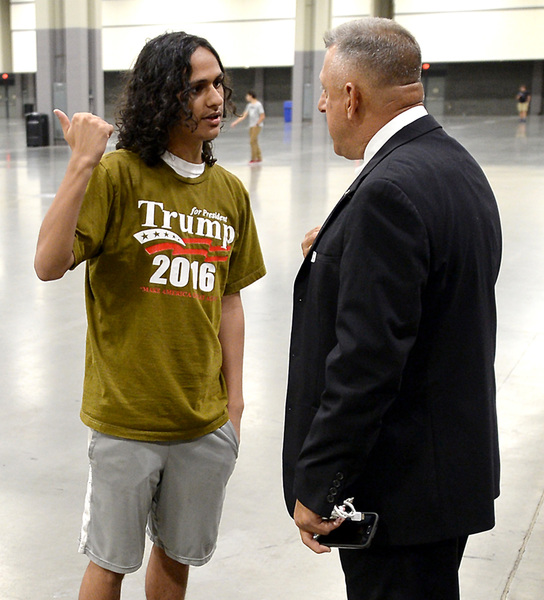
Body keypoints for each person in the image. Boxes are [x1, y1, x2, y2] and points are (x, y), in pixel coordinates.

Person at [34, 31, 266, 600]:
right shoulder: (117, 176)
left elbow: (229, 300)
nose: (216, 98)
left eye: (218, 84)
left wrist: (235, 403)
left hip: (202, 420)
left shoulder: (229, 192)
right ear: (163, 96)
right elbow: (47, 263)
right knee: (109, 563)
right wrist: (82, 163)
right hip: (127, 420)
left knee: (177, 557)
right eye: (197, 88)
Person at [282, 17, 501, 600]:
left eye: (326, 92)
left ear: (351, 97)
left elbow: (367, 361)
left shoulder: (387, 191)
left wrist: (320, 482)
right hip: (444, 475)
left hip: (401, 491)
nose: (322, 104)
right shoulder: (453, 164)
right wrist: (339, 251)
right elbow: (434, 295)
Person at [230, 90, 265, 163]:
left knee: (252, 141)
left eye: (247, 96)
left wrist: (257, 124)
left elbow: (262, 116)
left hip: (257, 126)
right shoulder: (249, 106)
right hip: (251, 126)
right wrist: (235, 122)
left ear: (251, 96)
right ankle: (259, 157)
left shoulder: (258, 105)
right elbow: (244, 115)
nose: (246, 97)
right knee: (255, 141)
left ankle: (253, 158)